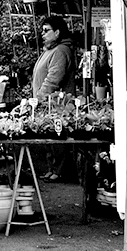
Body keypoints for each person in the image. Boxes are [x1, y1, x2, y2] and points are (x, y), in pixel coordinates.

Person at [33, 16, 77, 181]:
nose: (42, 34)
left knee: (57, 137)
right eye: (42, 31)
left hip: (57, 104)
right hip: (47, 104)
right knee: (49, 138)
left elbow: (53, 79)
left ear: (57, 32)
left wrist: (39, 97)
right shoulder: (50, 50)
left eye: (46, 31)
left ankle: (59, 171)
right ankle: (53, 168)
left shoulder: (60, 51)